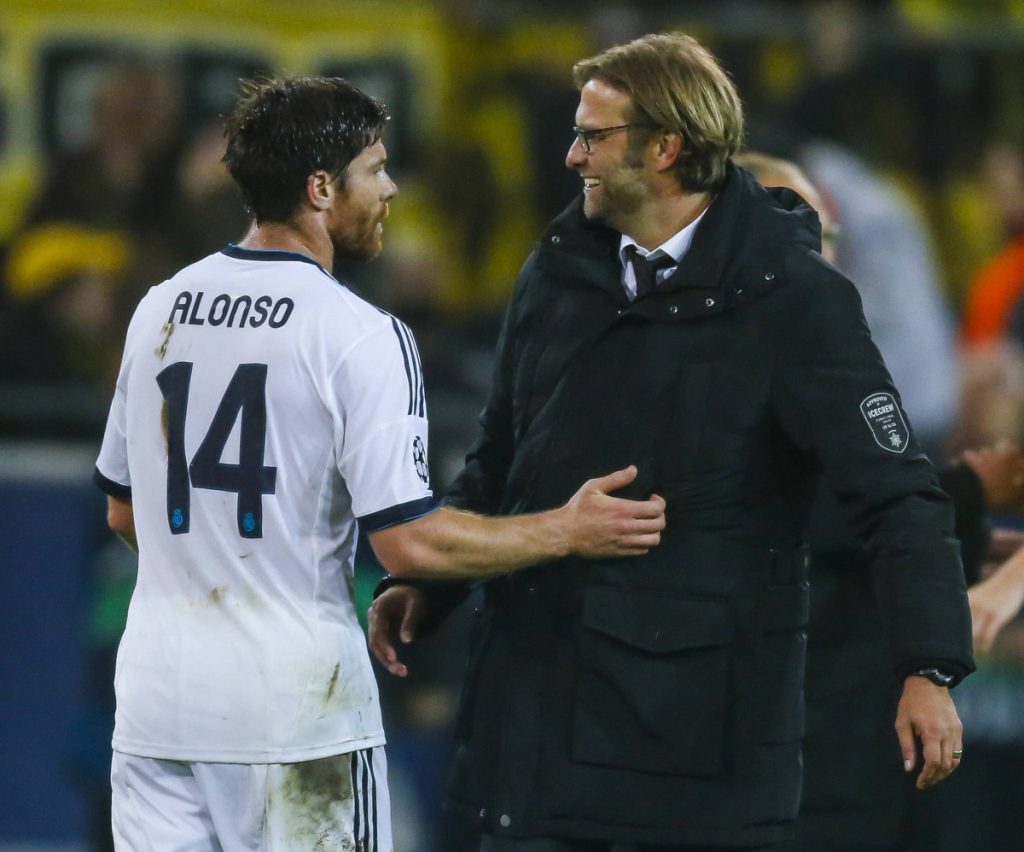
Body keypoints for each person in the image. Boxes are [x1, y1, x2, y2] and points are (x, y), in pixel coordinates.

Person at [369, 33, 974, 851]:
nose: (572, 154)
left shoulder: (795, 300)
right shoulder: (556, 271)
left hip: (694, 759)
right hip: (539, 737)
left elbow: (897, 494)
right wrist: (434, 592)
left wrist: (929, 668)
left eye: (595, 136)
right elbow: (502, 457)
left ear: (666, 146)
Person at [92, 75, 666, 851]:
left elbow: (125, 511)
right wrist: (566, 530)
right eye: (375, 168)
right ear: (322, 188)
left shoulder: (161, 305)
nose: (391, 188)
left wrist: (218, 564)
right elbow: (409, 543)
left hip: (158, 709)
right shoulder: (359, 333)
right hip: (296, 715)